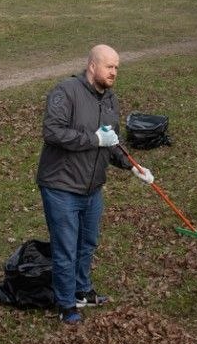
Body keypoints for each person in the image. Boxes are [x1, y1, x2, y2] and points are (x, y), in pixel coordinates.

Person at [37, 44, 154, 325]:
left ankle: (82, 290)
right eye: (109, 67)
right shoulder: (66, 92)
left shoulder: (110, 100)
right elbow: (52, 132)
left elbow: (111, 141)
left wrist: (132, 166)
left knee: (87, 243)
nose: (114, 72)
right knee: (66, 247)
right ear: (92, 66)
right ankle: (66, 305)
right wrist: (93, 139)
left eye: (117, 68)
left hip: (92, 188)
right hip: (61, 185)